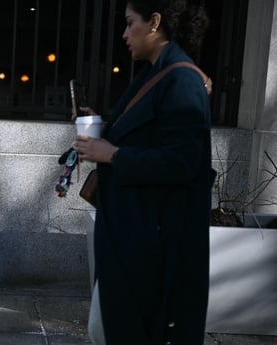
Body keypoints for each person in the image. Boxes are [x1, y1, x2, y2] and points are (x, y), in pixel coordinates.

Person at [73, 0, 214, 344]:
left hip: (153, 245)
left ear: (154, 22)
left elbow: (182, 162)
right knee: (105, 327)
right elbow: (150, 136)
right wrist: (105, 128)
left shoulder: (180, 79)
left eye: (129, 22)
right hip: (134, 237)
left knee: (120, 329)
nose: (124, 34)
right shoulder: (156, 73)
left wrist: (113, 154)